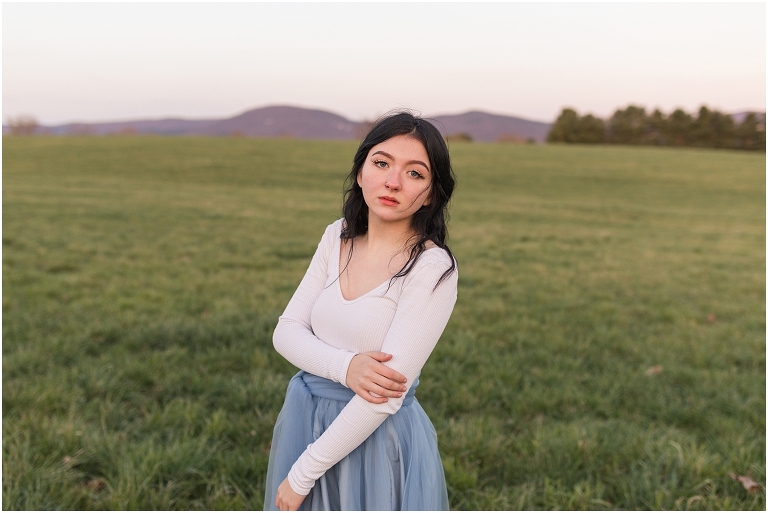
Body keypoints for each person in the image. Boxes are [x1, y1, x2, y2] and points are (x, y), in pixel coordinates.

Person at [264, 111, 458, 511]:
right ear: (360, 170)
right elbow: (286, 331)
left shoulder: (432, 268)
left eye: (415, 173)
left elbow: (384, 396)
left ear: (432, 193)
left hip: (374, 439)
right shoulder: (337, 236)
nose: (392, 181)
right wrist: (346, 367)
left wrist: (304, 473)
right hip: (307, 419)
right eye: (382, 163)